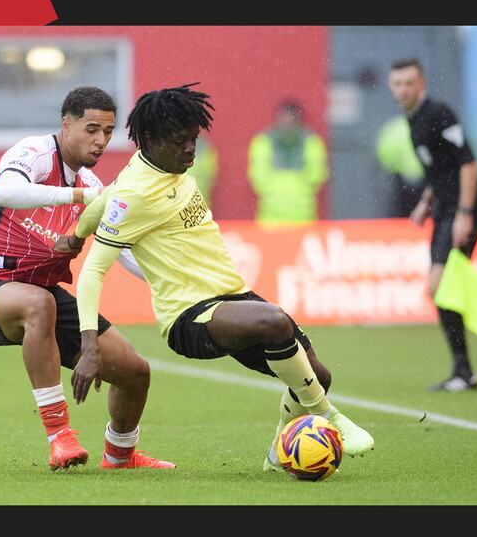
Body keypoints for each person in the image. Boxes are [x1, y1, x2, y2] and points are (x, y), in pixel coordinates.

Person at [57, 83, 374, 474]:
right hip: (190, 316)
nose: (190, 149)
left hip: (233, 296)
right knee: (274, 321)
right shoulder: (137, 193)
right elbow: (93, 271)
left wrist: (73, 235)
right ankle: (332, 417)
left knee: (316, 376)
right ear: (153, 140)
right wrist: (90, 347)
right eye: (180, 142)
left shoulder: (155, 167)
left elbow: (102, 200)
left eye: (193, 139)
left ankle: (279, 454)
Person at [0, 86, 175, 471]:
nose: (101, 140)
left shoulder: (93, 188)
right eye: (92, 129)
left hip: (45, 297)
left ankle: (120, 456)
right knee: (37, 304)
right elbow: (5, 192)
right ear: (66, 124)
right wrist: (75, 196)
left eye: (107, 131)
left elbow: (122, 252)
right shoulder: (34, 153)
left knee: (135, 372)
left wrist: (178, 284)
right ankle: (60, 437)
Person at [387, 57, 477, 392]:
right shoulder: (414, 121)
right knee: (441, 287)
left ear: (422, 84)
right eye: (397, 84)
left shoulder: (438, 113)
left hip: (461, 208)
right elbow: (441, 169)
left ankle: (465, 369)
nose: (403, 90)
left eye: (409, 83)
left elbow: (468, 163)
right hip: (444, 207)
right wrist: (425, 202)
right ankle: (464, 371)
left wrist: (464, 212)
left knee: (439, 285)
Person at [247, 98, 329, 224]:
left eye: (291, 120)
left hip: (304, 218)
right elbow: (257, 177)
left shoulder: (312, 142)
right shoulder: (263, 141)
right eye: (284, 119)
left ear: (299, 121)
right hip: (270, 219)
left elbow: (316, 177)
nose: (287, 124)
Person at [375, 115, 425, 218]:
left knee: (400, 213)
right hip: (424, 178)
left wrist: (391, 167)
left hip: (402, 179)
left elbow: (385, 153)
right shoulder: (424, 125)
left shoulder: (395, 128)